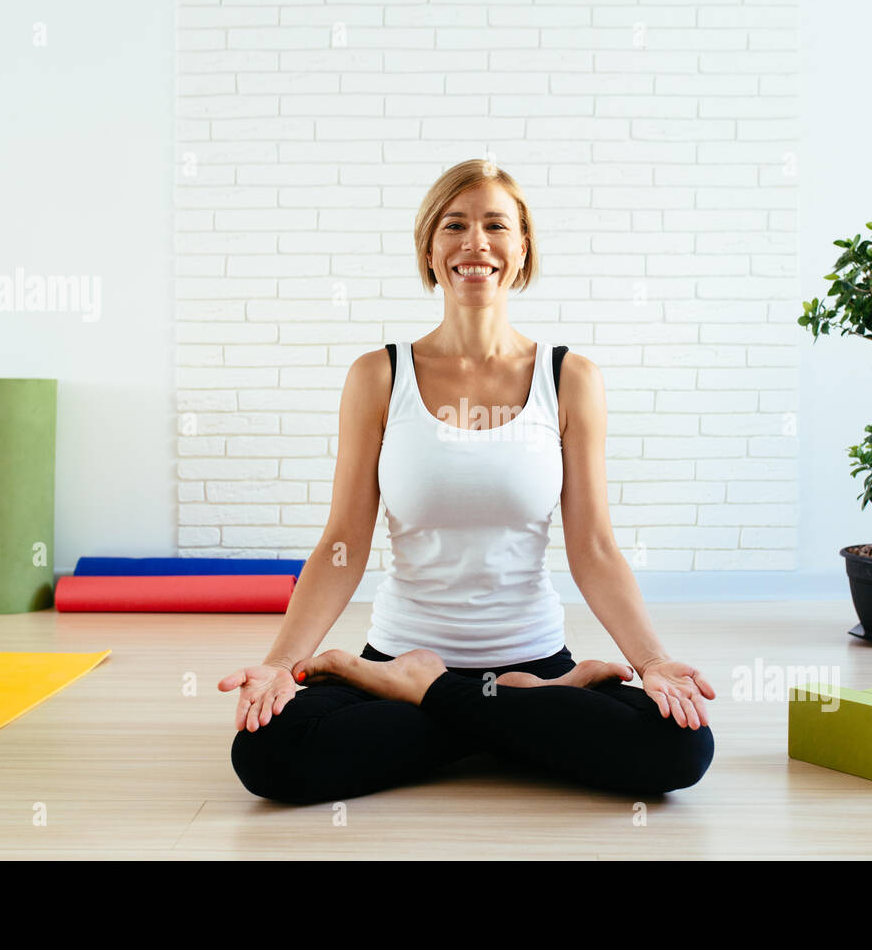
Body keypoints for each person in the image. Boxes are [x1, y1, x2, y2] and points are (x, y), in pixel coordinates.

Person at [220, 159, 715, 805]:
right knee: (269, 754)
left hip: (530, 660)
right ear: (430, 250)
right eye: (455, 225)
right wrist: (283, 665)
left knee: (679, 747)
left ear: (522, 247)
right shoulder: (379, 375)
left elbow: (594, 548)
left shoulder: (570, 378)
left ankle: (430, 694)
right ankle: (521, 715)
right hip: (394, 655)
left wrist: (650, 663)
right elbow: (343, 541)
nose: (475, 243)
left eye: (495, 225)